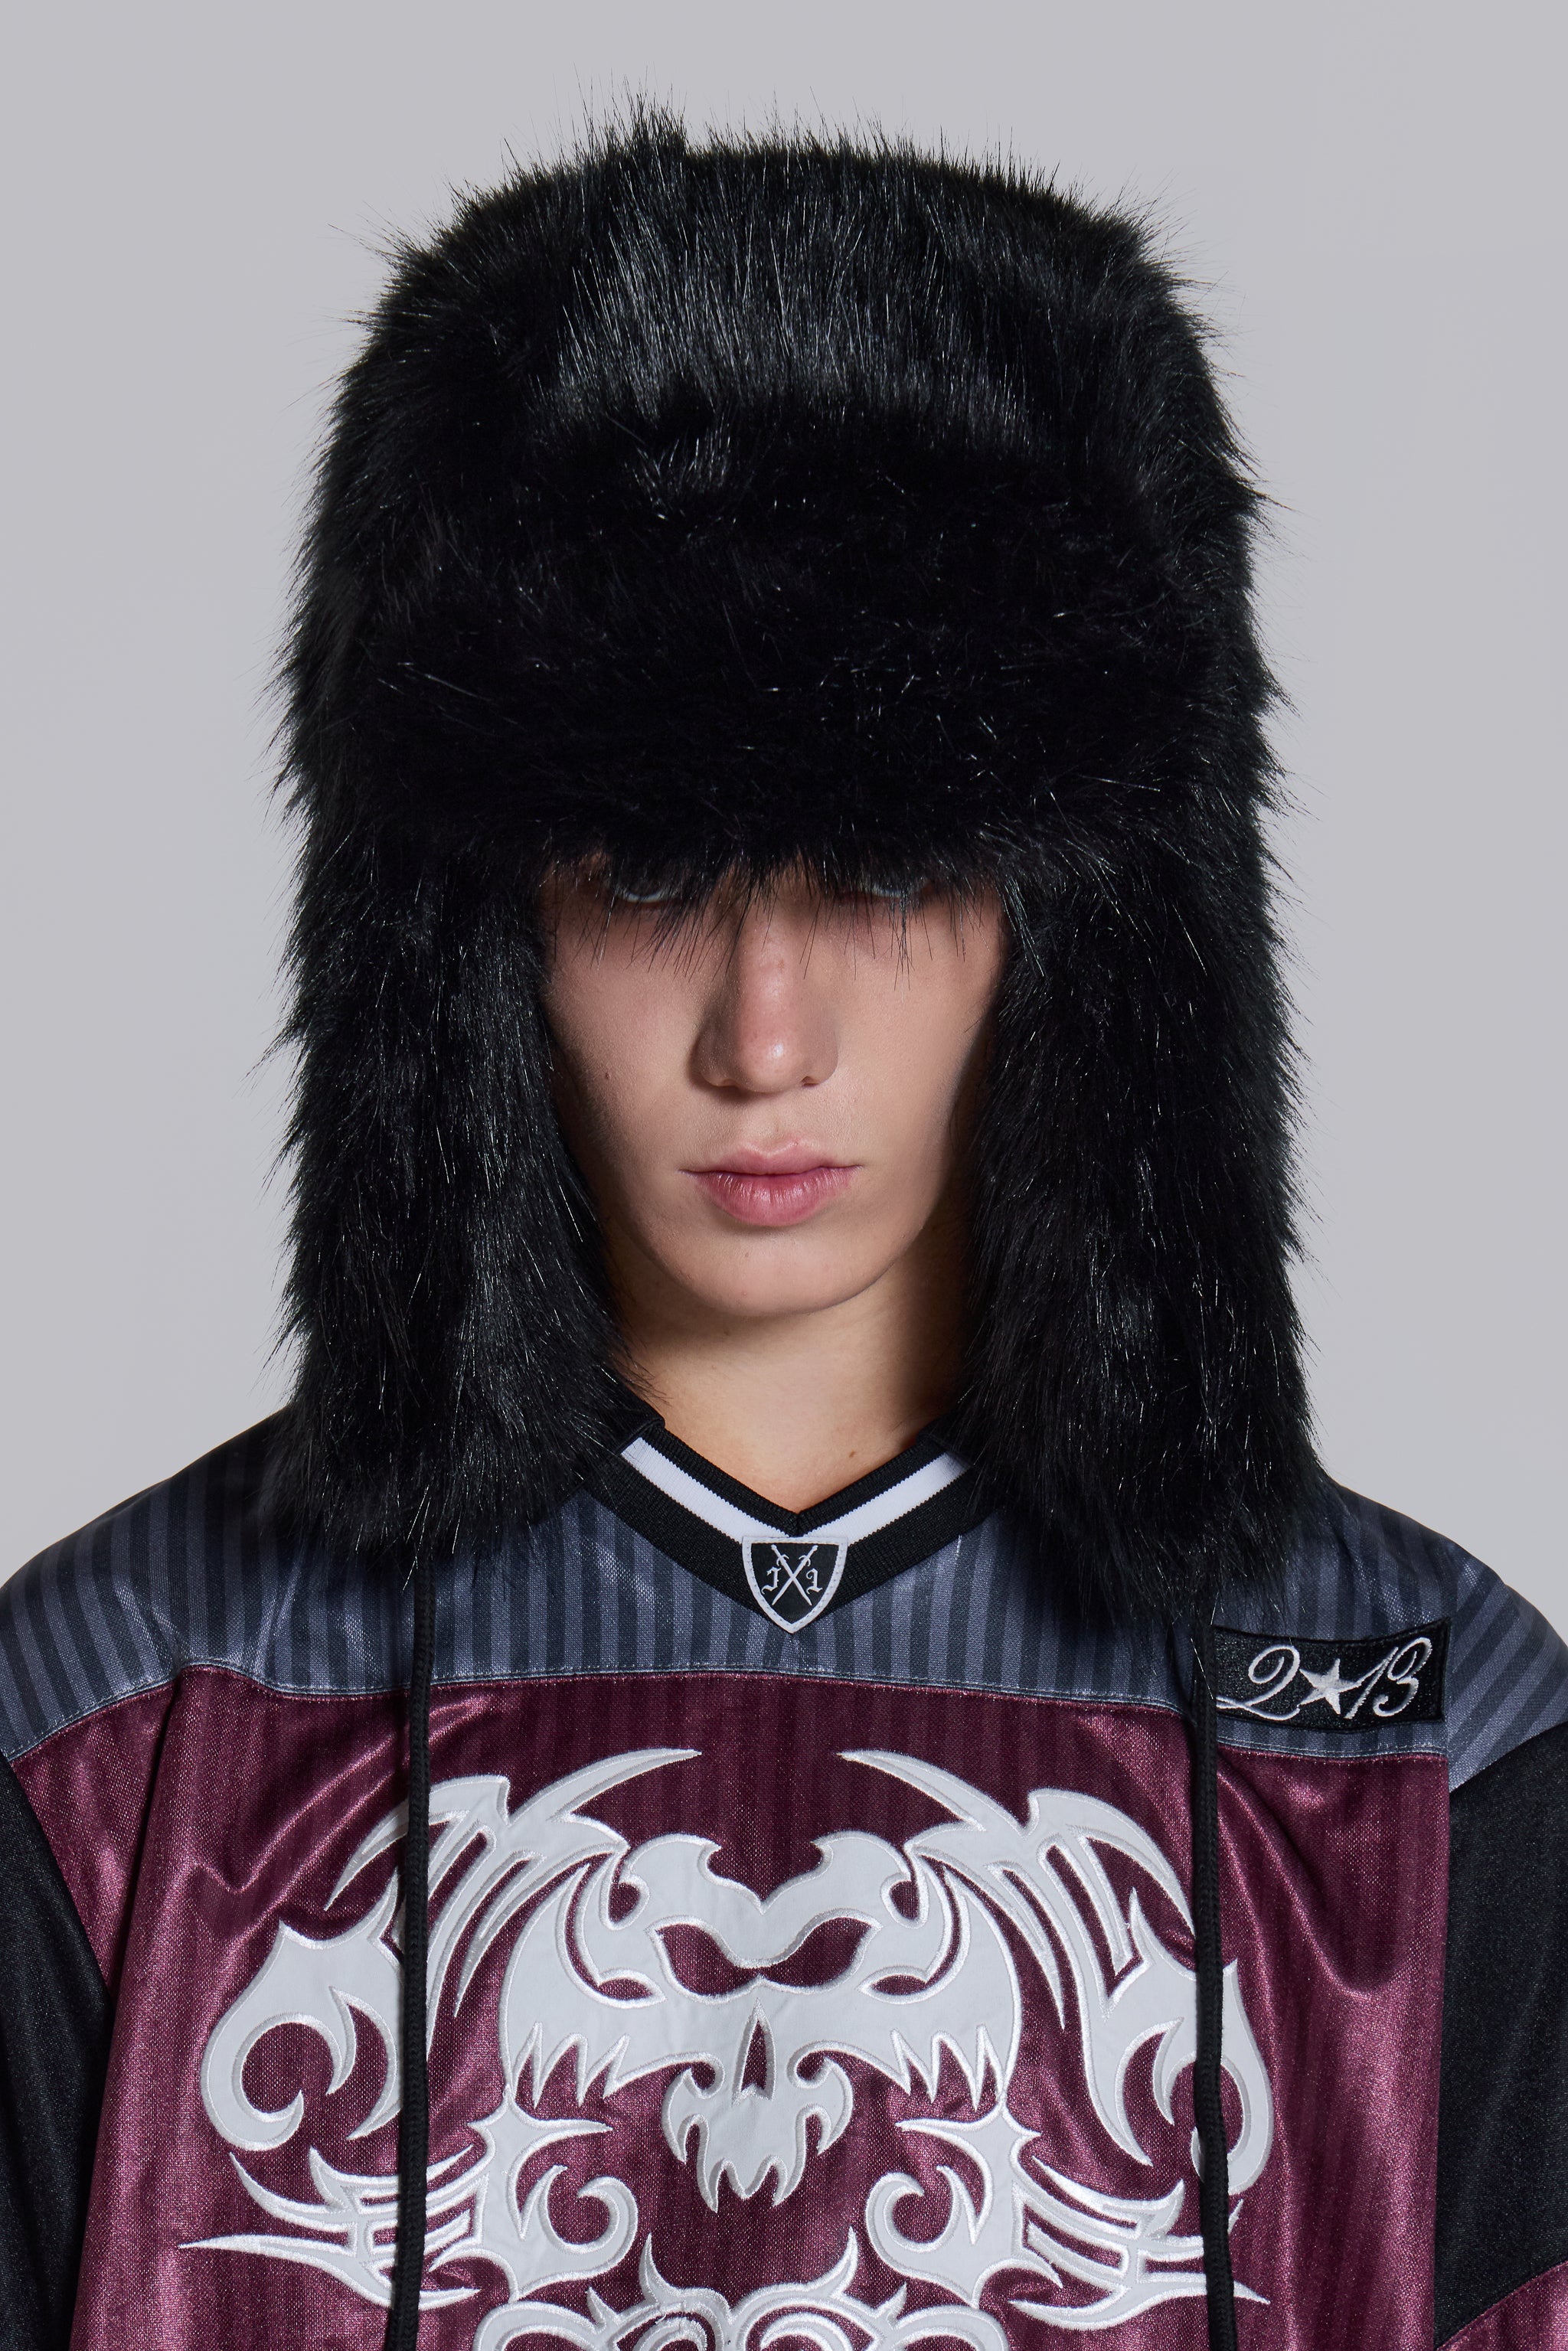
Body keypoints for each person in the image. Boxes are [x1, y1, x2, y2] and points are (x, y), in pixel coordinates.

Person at [2, 111, 1565, 2351]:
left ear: (1081, 922)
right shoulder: (117, 1725)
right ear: (473, 933)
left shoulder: (1427, 1747)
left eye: (888, 876)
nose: (767, 1036)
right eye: (651, 881)